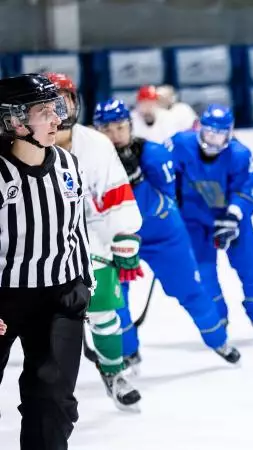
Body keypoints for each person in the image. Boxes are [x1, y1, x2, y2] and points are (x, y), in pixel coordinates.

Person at [93, 99, 241, 368]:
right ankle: (128, 352)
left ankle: (218, 339)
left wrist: (137, 183)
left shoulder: (155, 155)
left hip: (163, 237)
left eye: (119, 128)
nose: (114, 136)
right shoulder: (89, 161)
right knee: (114, 300)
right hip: (112, 240)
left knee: (189, 290)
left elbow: (166, 204)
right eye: (106, 129)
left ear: (130, 125)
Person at [0, 73, 95, 450]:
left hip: (59, 295)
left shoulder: (69, 166)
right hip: (4, 298)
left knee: (53, 402)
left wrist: (83, 283)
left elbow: (77, 228)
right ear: (15, 120)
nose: (58, 118)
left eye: (57, 109)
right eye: (45, 111)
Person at [45, 72, 143, 410]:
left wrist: (125, 232)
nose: (58, 109)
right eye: (49, 103)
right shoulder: (18, 144)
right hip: (37, 240)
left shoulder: (96, 144)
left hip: (90, 235)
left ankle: (114, 371)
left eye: (64, 100)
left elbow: (117, 195)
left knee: (103, 309)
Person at [168, 104, 253, 333]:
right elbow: (164, 171)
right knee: (204, 271)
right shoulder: (180, 144)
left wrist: (233, 215)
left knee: (250, 267)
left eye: (219, 133)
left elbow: (247, 190)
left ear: (229, 132)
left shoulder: (240, 154)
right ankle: (220, 318)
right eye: (209, 131)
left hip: (232, 221)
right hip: (195, 220)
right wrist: (169, 197)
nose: (213, 138)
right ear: (200, 128)